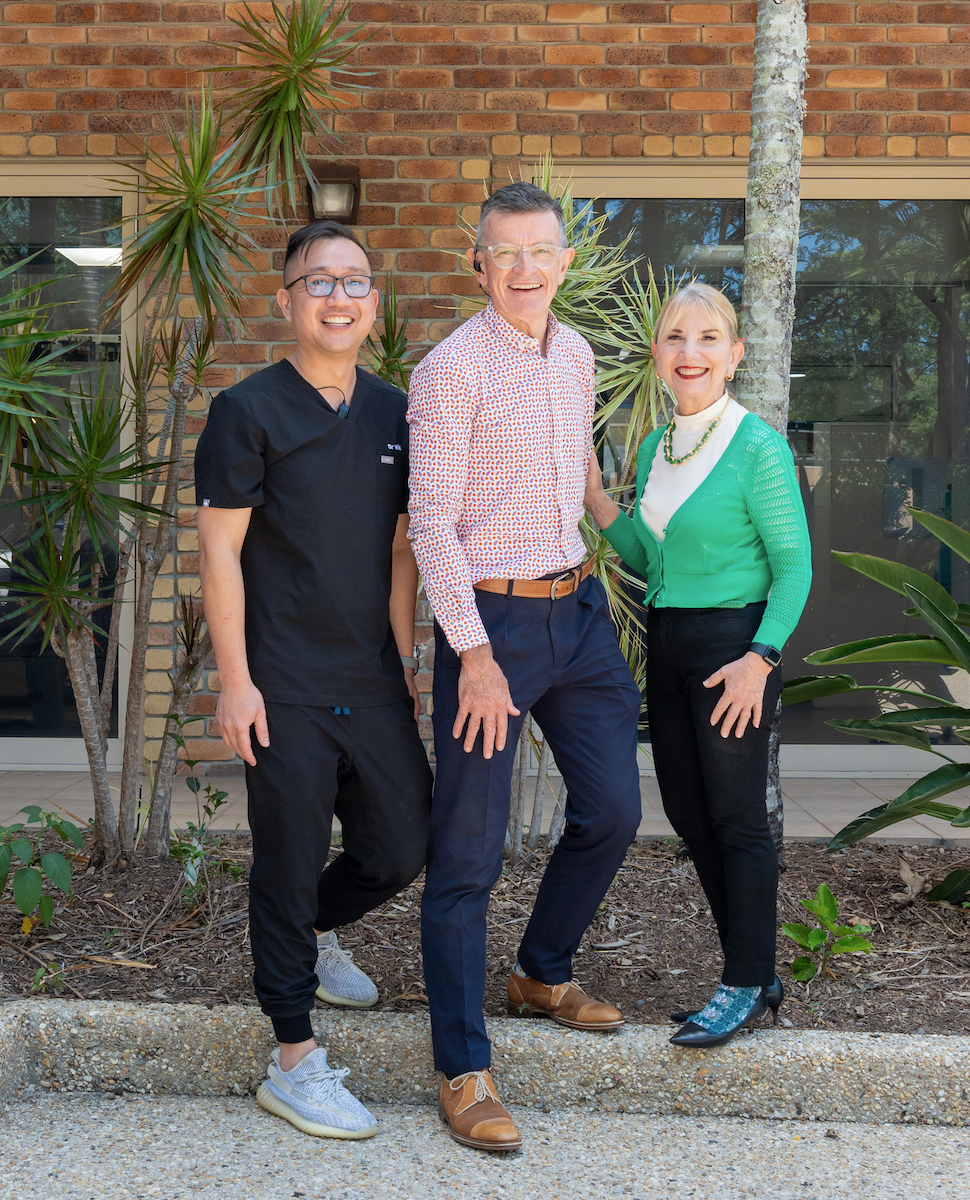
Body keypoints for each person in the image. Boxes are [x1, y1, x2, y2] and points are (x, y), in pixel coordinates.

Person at [407, 182, 643, 1152]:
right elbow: (428, 525)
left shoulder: (576, 353)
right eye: (503, 254)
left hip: (577, 612)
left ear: (564, 260)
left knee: (615, 809)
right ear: (477, 265)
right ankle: (464, 1066)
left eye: (539, 251)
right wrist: (471, 655)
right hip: (490, 623)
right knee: (467, 854)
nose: (523, 269)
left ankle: (541, 968)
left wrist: (620, 529)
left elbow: (574, 462)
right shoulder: (448, 372)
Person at [194, 220, 432, 1139]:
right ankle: (291, 1059)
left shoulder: (396, 412)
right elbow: (219, 554)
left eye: (356, 282)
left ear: (374, 304)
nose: (339, 296)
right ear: (286, 301)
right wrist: (235, 681)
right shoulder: (247, 410)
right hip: (282, 682)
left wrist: (406, 659)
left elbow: (404, 550)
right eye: (318, 281)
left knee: (402, 844)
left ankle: (314, 935)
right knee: (287, 863)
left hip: (371, 677)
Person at [584, 281, 812, 1048]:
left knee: (739, 819)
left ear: (735, 353)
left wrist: (761, 658)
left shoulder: (758, 447)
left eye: (708, 338)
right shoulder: (655, 446)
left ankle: (746, 982)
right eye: (676, 337)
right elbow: (657, 562)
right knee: (689, 814)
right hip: (669, 641)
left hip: (734, 652)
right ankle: (755, 969)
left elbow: (795, 568)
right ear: (658, 353)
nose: (691, 352)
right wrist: (599, 502)